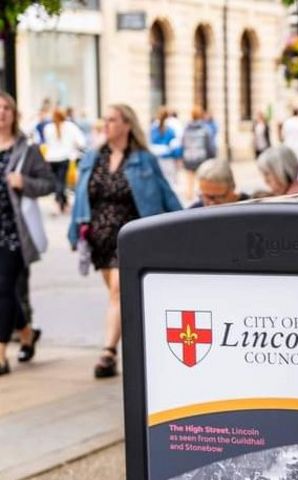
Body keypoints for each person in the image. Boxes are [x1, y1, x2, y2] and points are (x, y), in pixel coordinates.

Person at [68, 104, 183, 378]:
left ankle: (108, 352)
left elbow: (165, 194)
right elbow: (82, 196)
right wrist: (75, 230)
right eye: (104, 120)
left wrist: (184, 222)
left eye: (112, 120)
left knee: (119, 292)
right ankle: (139, 344)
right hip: (100, 238)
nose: (106, 125)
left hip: (130, 236)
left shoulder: (143, 159)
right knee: (119, 297)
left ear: (127, 125)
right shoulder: (94, 157)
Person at [0, 92, 53, 372]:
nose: (1, 113)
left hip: (15, 234)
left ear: (14, 113)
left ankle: (0, 355)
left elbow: (49, 184)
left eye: (6, 108)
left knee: (4, 288)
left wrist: (24, 182)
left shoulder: (26, 150)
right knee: (5, 290)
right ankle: (26, 333)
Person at [40, 107, 86, 213]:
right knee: (61, 181)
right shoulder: (70, 126)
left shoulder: (48, 128)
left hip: (51, 158)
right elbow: (81, 142)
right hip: (64, 157)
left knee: (56, 181)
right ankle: (58, 202)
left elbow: (46, 142)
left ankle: (62, 202)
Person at [181, 107, 216, 204]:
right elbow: (210, 145)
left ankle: (189, 197)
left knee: (189, 179)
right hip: (201, 157)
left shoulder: (186, 128)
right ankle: (199, 197)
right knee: (201, 178)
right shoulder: (205, 128)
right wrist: (212, 157)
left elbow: (182, 142)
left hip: (188, 155)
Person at [149, 107, 179, 193]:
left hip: (156, 158)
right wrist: (177, 159)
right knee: (170, 183)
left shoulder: (153, 129)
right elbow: (175, 146)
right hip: (168, 159)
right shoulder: (171, 130)